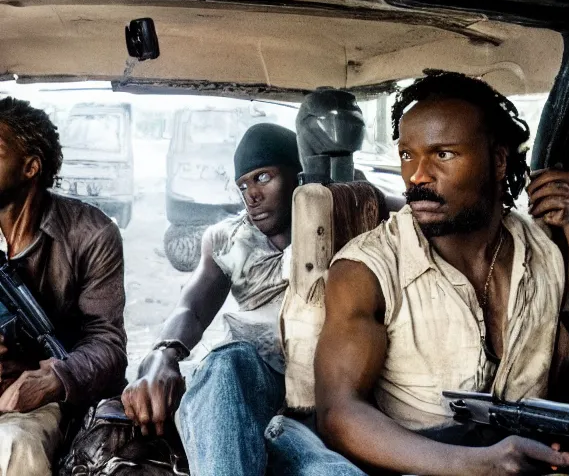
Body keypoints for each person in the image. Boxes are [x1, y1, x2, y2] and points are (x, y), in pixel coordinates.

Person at [312, 71, 569, 475]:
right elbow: (338, 413)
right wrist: (474, 465)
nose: (417, 175)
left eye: (443, 154)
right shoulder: (366, 269)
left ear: (499, 160)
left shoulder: (542, 249)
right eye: (407, 155)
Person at [121, 122, 360, 476]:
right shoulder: (228, 240)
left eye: (263, 177)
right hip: (250, 380)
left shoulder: (346, 218)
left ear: (298, 175)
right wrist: (163, 353)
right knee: (226, 363)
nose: (252, 195)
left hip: (322, 388)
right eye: (243, 185)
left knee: (322, 467)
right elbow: (192, 306)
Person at [0, 96, 127, 476]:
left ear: (30, 167)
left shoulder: (91, 233)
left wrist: (56, 378)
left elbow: (107, 344)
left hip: (31, 401)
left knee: (14, 448)